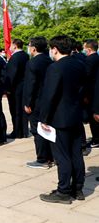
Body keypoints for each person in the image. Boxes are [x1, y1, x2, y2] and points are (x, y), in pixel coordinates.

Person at [39, 35, 86, 204]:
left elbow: (49, 95)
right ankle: (78, 188)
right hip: (75, 115)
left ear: (55, 49)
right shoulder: (79, 64)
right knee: (76, 153)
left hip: (59, 117)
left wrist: (44, 117)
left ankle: (63, 191)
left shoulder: (55, 68)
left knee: (62, 155)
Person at [23, 37, 54, 169]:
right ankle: (51, 156)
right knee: (49, 129)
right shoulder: (49, 60)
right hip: (47, 100)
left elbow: (31, 85)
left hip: (36, 102)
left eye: (29, 46)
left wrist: (28, 103)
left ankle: (42, 159)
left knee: (38, 130)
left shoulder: (33, 63)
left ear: (34, 48)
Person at [5, 38, 30, 138]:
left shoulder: (15, 57)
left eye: (11, 45)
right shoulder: (25, 55)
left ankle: (17, 131)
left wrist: (7, 88)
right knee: (22, 110)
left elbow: (11, 75)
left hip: (15, 88)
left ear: (15, 46)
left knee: (15, 110)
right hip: (23, 86)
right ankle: (24, 130)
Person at [83, 39, 99, 148]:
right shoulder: (97, 58)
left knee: (93, 118)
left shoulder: (89, 60)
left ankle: (96, 139)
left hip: (91, 92)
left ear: (88, 49)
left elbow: (86, 77)